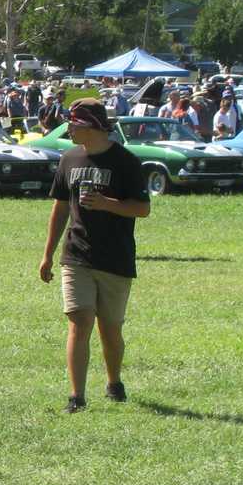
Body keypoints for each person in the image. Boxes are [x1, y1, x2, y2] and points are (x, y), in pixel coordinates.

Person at [38, 99, 151, 413]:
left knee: (110, 328)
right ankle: (77, 397)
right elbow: (60, 207)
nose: (69, 129)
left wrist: (107, 204)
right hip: (76, 254)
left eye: (73, 123)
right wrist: (47, 254)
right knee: (80, 321)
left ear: (92, 126)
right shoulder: (69, 159)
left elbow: (142, 208)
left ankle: (114, 382)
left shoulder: (125, 161)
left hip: (115, 257)